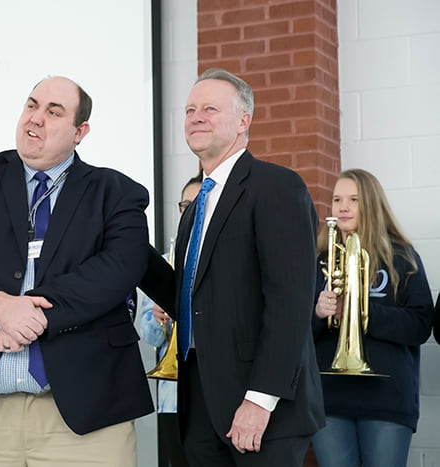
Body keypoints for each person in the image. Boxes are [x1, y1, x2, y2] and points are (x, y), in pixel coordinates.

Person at [0, 76, 153, 466]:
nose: (36, 118)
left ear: (80, 132)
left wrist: (32, 316)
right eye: (32, 105)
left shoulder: (117, 192)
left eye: (53, 111)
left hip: (85, 416)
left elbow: (120, 267)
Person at [140, 68, 324, 466]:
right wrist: (132, 250)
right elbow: (188, 297)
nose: (196, 117)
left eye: (209, 108)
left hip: (261, 404)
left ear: (244, 121)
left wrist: (260, 400)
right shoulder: (196, 209)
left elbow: (290, 302)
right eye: (190, 110)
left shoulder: (276, 186)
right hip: (202, 402)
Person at [311, 169, 433, 467]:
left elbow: (420, 325)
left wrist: (360, 312)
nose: (343, 206)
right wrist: (317, 314)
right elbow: (292, 331)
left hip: (387, 398)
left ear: (372, 204)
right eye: (337, 199)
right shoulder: (318, 260)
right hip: (329, 398)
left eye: (354, 199)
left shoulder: (402, 257)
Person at [138, 174, 201, 467]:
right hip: (170, 397)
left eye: (198, 204)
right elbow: (148, 335)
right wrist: (156, 317)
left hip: (211, 393)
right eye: (184, 205)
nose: (189, 211)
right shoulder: (164, 261)